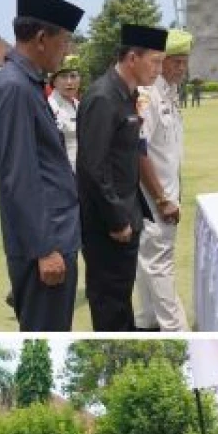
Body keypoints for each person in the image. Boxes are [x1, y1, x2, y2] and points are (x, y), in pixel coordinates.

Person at [0, 0, 84, 331]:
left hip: (56, 236)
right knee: (46, 334)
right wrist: (44, 249)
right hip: (46, 244)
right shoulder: (13, 88)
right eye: (64, 41)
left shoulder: (27, 84)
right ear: (42, 39)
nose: (66, 51)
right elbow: (19, 176)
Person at [76, 24, 168, 332]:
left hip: (126, 218)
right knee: (110, 307)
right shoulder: (103, 97)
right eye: (154, 61)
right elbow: (93, 167)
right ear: (132, 58)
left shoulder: (126, 95)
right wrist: (117, 220)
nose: (159, 68)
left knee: (121, 301)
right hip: (108, 227)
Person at [135, 29, 193, 332]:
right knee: (160, 263)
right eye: (174, 62)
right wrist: (161, 198)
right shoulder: (148, 95)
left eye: (184, 62)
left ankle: (147, 320)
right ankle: (175, 330)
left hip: (166, 194)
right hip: (154, 199)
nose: (181, 69)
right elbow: (139, 150)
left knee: (149, 263)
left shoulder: (168, 92)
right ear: (159, 61)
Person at [48, 55, 81, 172]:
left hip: (81, 172)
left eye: (73, 76)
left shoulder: (79, 105)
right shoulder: (49, 107)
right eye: (63, 76)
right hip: (61, 173)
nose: (69, 82)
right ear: (54, 81)